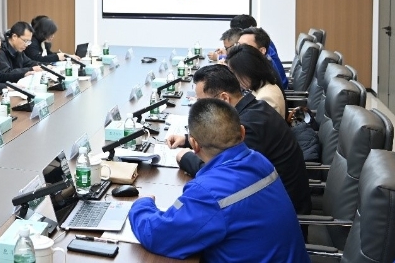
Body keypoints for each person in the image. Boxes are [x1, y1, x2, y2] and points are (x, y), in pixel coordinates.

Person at [129, 98, 309, 262]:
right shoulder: (259, 160)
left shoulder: (208, 193)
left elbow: (158, 236)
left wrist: (142, 204)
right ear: (242, 132)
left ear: (194, 144)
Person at [167, 64, 311, 214]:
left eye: (202, 103)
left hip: (280, 212)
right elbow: (221, 145)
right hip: (269, 199)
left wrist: (186, 158)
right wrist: (188, 140)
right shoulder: (255, 108)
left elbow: (223, 176)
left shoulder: (248, 127)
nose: (199, 108)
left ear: (224, 98)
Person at [226, 44, 286, 116]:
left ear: (248, 70)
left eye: (235, 73)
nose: (235, 77)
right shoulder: (263, 85)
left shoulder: (265, 98)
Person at [230, 15, 288, 89]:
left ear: (262, 51)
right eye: (238, 44)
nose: (239, 49)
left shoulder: (260, 68)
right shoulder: (260, 55)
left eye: (245, 46)